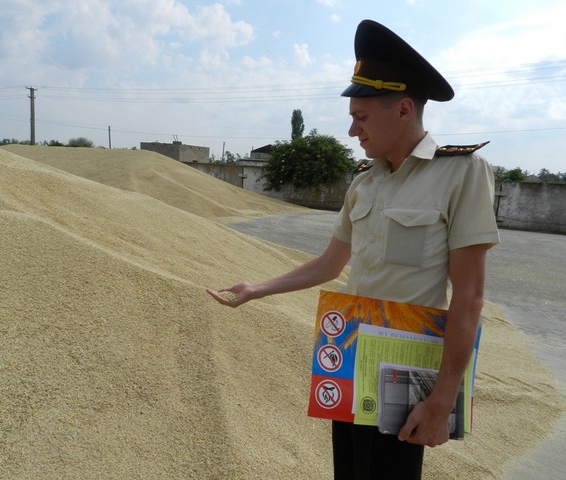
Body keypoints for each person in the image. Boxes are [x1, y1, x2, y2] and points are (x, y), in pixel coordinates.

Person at [207, 19, 500, 480]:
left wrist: (442, 398)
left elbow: (470, 296)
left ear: (404, 109)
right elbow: (331, 263)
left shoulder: (462, 174)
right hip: (350, 359)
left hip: (405, 371)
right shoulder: (365, 183)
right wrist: (258, 288)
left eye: (361, 118)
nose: (352, 131)